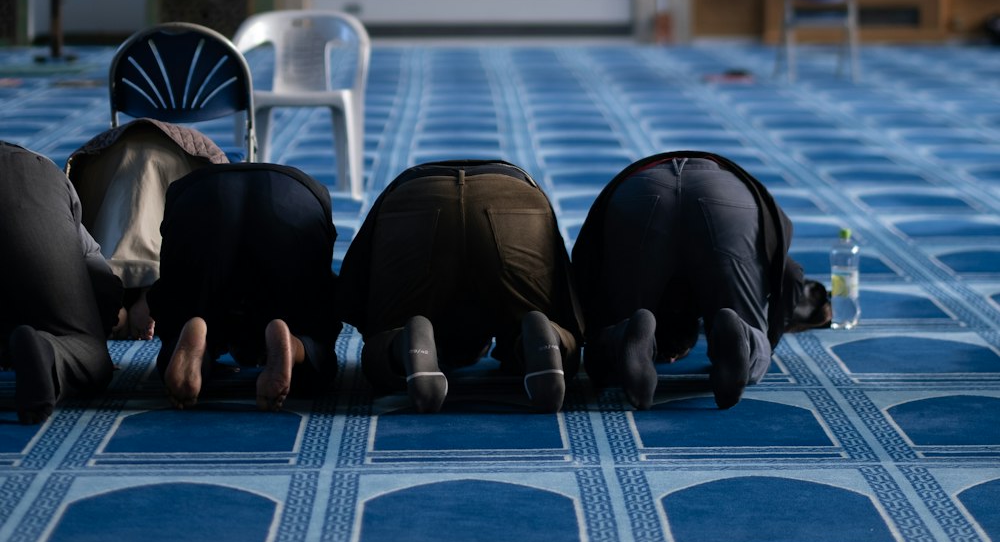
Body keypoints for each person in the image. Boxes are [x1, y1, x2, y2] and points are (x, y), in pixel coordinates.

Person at [572, 150, 831, 411]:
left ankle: (624, 334)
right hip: (726, 195)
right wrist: (766, 339)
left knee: (611, 338)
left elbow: (588, 282)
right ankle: (743, 335)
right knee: (748, 330)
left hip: (639, 193)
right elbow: (791, 274)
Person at [338, 159, 584, 413]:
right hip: (514, 195)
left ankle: (404, 340)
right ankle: (546, 337)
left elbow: (355, 299)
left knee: (384, 341)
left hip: (415, 199)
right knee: (546, 328)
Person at [146, 162, 340, 411]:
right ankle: (294, 346)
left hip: (199, 201)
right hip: (294, 201)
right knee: (315, 342)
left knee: (184, 313)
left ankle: (197, 343)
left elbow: (168, 291)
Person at [65, 118, 229, 342]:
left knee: (108, 227)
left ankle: (114, 300)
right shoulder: (195, 144)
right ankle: (151, 290)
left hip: (107, 161)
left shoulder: (97, 151)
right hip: (174, 159)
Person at [0, 140, 122, 424]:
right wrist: (95, 329)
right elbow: (99, 276)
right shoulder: (35, 166)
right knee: (89, 353)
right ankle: (51, 352)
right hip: (30, 179)